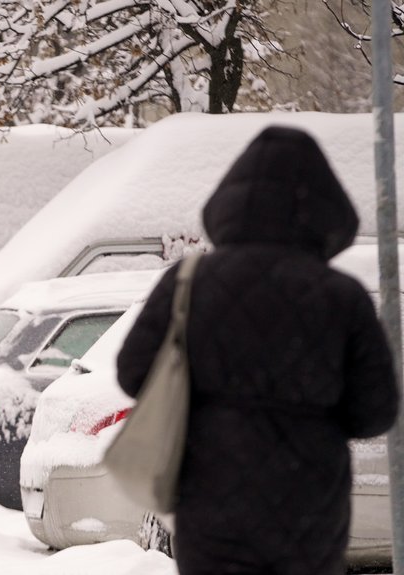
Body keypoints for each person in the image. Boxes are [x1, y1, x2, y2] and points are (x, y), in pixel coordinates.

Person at [116, 126, 400, 575]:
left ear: (230, 202)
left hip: (210, 499)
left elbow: (132, 372)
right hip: (310, 511)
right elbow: (376, 411)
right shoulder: (343, 297)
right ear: (326, 210)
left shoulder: (189, 281)